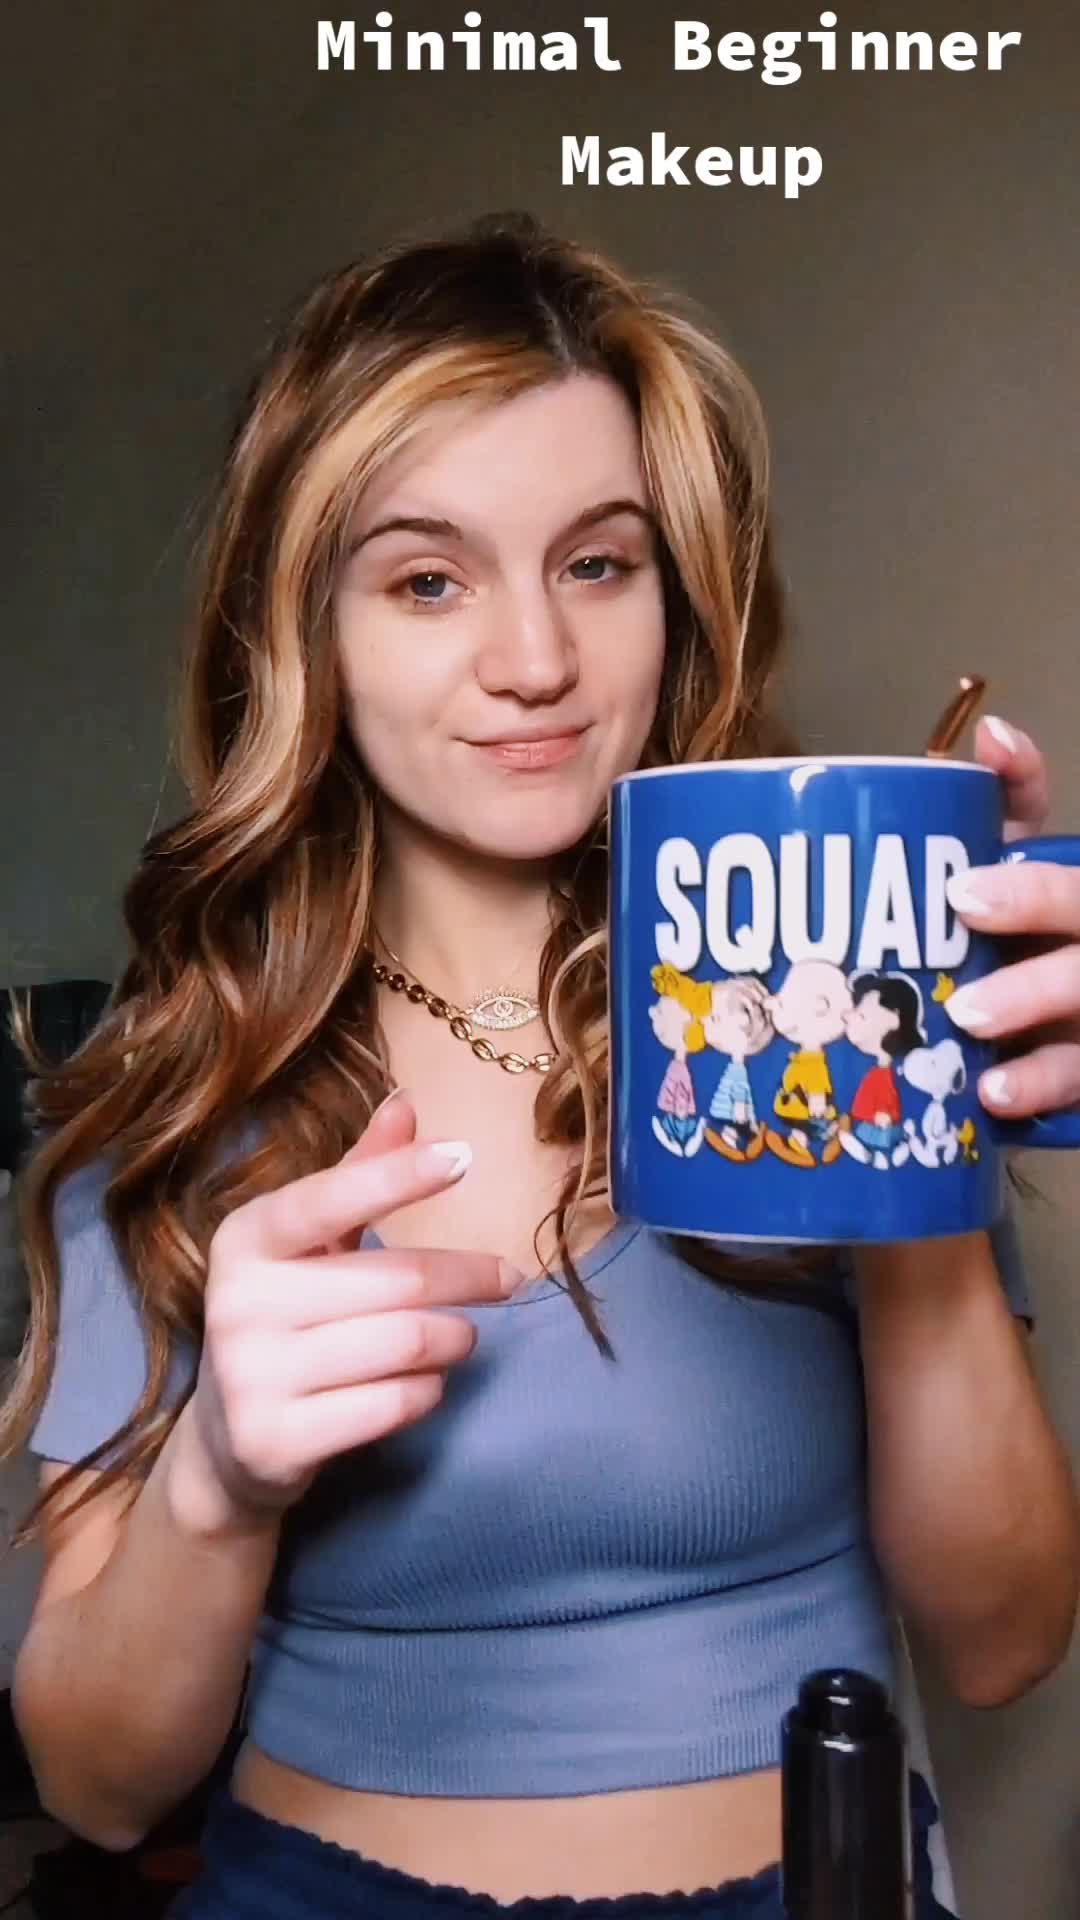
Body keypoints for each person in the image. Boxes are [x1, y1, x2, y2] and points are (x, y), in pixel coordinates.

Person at [2, 211, 1078, 1920]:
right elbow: (97, 1787)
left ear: (677, 595)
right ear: (304, 630)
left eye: (599, 563)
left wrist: (914, 1117)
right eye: (428, 579)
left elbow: (1006, 1643)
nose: (536, 663)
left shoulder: (815, 1003)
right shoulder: (182, 1087)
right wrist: (216, 1486)